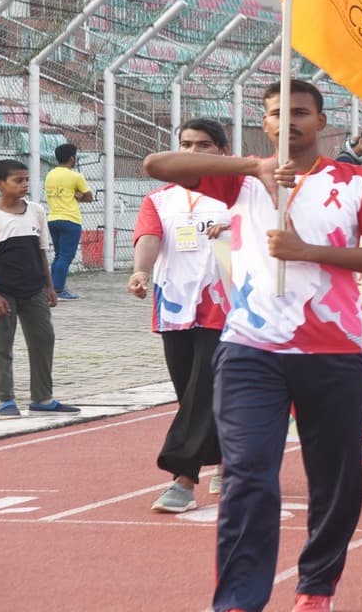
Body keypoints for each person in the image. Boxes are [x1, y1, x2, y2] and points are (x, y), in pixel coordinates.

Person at [143, 79, 362, 612]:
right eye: (275, 113)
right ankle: (240, 600)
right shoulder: (238, 183)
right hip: (250, 350)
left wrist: (308, 251)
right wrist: (251, 168)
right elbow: (155, 167)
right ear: (263, 123)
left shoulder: (356, 182)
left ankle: (316, 588)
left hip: (334, 351)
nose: (288, 122)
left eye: (301, 113)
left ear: (321, 120)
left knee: (334, 482)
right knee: (247, 475)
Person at [128, 118, 232, 514]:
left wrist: (235, 223)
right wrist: (140, 271)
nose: (192, 152)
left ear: (222, 150)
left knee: (202, 387)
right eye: (185, 144)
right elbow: (150, 237)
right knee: (188, 390)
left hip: (225, 306)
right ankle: (225, 455)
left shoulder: (239, 194)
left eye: (202, 144)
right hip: (174, 306)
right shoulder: (160, 199)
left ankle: (183, 478)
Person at [0, 159, 79, 419]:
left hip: (35, 290)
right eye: (17, 180)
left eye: (26, 180)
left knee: (44, 340)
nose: (24, 185)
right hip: (4, 292)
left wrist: (50, 286)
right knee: (3, 345)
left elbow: (41, 251)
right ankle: (6, 399)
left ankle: (42, 397)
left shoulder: (36, 211)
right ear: (0, 184)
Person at [44, 142, 94, 300]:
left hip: (53, 219)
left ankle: (52, 288)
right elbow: (89, 197)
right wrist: (78, 196)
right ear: (72, 158)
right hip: (70, 220)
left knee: (59, 256)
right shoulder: (75, 176)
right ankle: (58, 290)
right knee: (65, 257)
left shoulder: (50, 174)